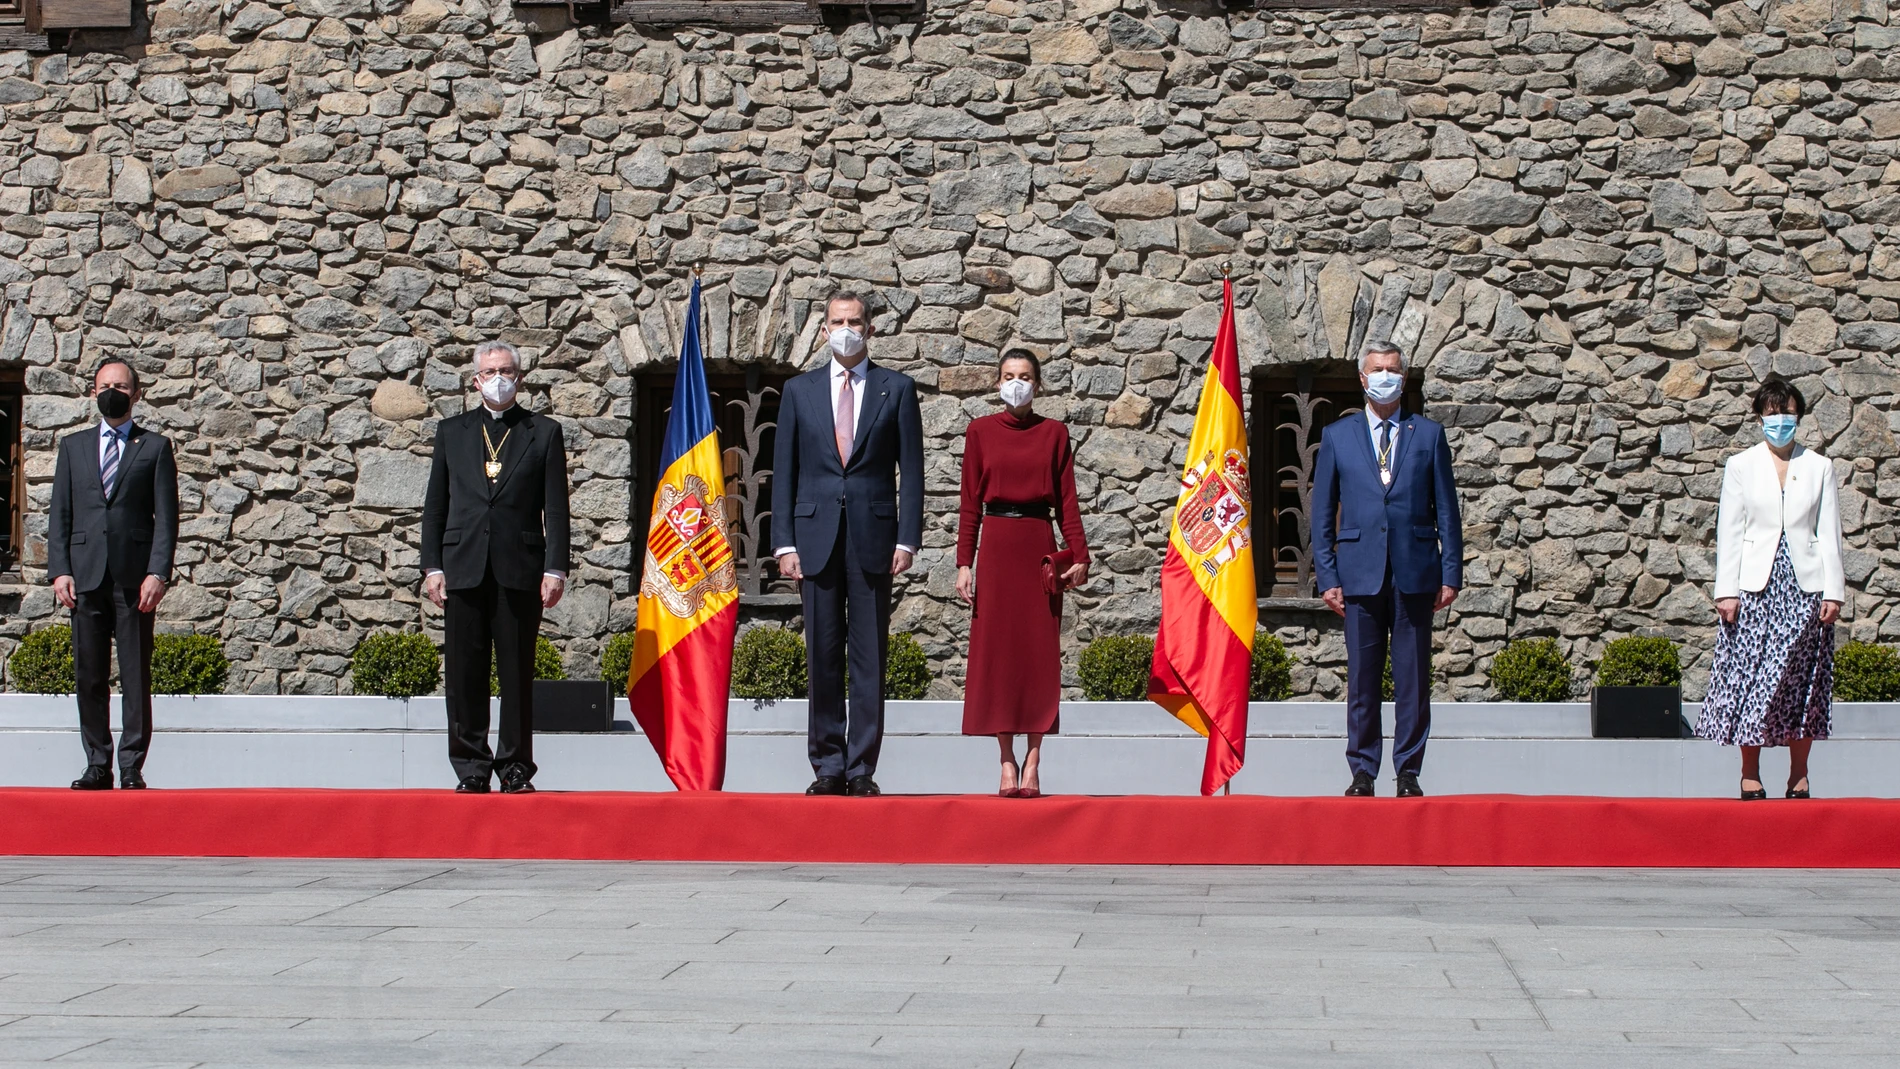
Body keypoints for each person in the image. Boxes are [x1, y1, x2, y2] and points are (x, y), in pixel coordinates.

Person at [771, 290, 925, 798]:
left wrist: (908, 538)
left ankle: (861, 768)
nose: (846, 329)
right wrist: (782, 543)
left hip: (873, 537)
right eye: (837, 321)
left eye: (854, 321)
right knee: (822, 655)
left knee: (868, 656)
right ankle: (827, 766)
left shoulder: (896, 389)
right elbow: (785, 472)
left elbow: (913, 472)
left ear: (871, 329)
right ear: (823, 330)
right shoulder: (799, 391)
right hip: (814, 538)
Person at [1311, 342, 1462, 798]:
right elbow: (1321, 513)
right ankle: (1362, 769)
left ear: (1404, 378)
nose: (1385, 377)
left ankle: (1409, 770)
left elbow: (1447, 511)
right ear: (1362, 378)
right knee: (1362, 678)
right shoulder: (1339, 436)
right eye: (1377, 369)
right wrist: (1328, 575)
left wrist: (1450, 572)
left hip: (1415, 572)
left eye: (1393, 370)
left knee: (1413, 679)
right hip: (1359, 573)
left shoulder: (1428, 434)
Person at [421, 341, 571, 794]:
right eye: (490, 371)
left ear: (520, 379)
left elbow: (556, 508)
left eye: (507, 371)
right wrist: (432, 566)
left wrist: (556, 568)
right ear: (475, 380)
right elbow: (435, 507)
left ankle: (515, 767)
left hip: (519, 567)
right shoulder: (452, 432)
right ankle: (470, 766)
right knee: (465, 674)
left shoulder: (542, 431)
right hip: (462, 564)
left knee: (516, 672)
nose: (499, 378)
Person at [1698, 377, 1844, 799]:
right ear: (1760, 416)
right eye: (1772, 412)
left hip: (1805, 587)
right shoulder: (1741, 465)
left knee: (1803, 679)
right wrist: (1726, 591)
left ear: (1799, 416)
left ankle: (1799, 773)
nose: (1780, 420)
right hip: (1754, 587)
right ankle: (1750, 772)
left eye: (1788, 412)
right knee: (1751, 677)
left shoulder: (1819, 467)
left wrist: (1833, 591)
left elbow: (1828, 531)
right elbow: (1730, 530)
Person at [955, 350, 1090, 798]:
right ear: (997, 383)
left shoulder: (1054, 433)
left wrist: (1080, 556)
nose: (1017, 383)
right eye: (1010, 376)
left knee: (1036, 657)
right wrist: (963, 564)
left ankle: (1034, 758)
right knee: (998, 657)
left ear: (1039, 385)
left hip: (1038, 547)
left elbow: (1067, 501)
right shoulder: (979, 432)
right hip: (994, 546)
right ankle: (1006, 760)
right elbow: (970, 504)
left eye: (1026, 376)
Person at [47, 358, 178, 791]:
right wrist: (59, 570)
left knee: (135, 673)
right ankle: (97, 764)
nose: (112, 392)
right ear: (92, 392)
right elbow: (61, 515)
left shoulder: (155, 448)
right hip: (84, 577)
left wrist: (158, 572)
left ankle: (131, 766)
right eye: (105, 385)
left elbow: (166, 518)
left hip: (134, 578)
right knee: (89, 673)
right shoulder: (73, 447)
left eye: (120, 385)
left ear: (136, 394)